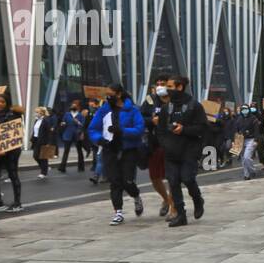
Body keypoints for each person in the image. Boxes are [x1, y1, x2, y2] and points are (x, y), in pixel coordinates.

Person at [87, 83, 146, 225]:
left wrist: (123, 131)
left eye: (110, 93)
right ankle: (118, 212)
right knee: (114, 181)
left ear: (119, 94)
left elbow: (139, 128)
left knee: (127, 180)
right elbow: (93, 129)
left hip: (128, 150)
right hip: (110, 149)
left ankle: (136, 196)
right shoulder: (103, 110)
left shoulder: (132, 110)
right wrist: (99, 139)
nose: (108, 97)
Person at [156, 75, 207, 227]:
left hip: (189, 151)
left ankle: (198, 199)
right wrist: (164, 144)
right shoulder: (167, 107)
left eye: (170, 86)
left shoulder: (194, 106)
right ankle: (181, 214)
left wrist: (184, 130)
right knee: (173, 182)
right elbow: (160, 130)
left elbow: (202, 128)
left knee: (188, 178)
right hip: (171, 152)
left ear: (180, 87)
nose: (167, 89)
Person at [141, 78, 176, 219]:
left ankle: (174, 208)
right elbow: (140, 117)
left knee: (173, 177)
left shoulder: (175, 101)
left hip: (172, 143)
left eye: (164, 84)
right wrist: (151, 121)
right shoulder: (150, 100)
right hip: (154, 144)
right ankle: (167, 200)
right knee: (155, 177)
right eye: (158, 84)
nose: (161, 87)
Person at [0, 94, 24, 213]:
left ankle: (17, 203)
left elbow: (14, 132)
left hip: (12, 151)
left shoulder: (13, 115)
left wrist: (4, 148)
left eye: (2, 102)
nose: (0, 104)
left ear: (7, 103)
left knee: (13, 174)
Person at [56, 99, 87, 173]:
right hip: (68, 134)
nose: (73, 106)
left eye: (75, 105)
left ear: (78, 107)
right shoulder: (67, 114)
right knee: (66, 151)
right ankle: (62, 167)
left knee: (79, 151)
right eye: (72, 105)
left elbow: (83, 125)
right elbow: (63, 121)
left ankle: (81, 167)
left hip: (77, 134)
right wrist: (62, 123)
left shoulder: (80, 115)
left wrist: (78, 122)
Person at [30, 106, 56, 178]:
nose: (36, 113)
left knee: (43, 157)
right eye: (36, 112)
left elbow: (49, 132)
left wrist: (49, 143)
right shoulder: (37, 120)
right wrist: (32, 137)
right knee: (35, 156)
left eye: (37, 112)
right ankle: (45, 167)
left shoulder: (46, 120)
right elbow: (35, 130)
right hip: (36, 140)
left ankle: (43, 172)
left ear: (41, 113)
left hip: (43, 140)